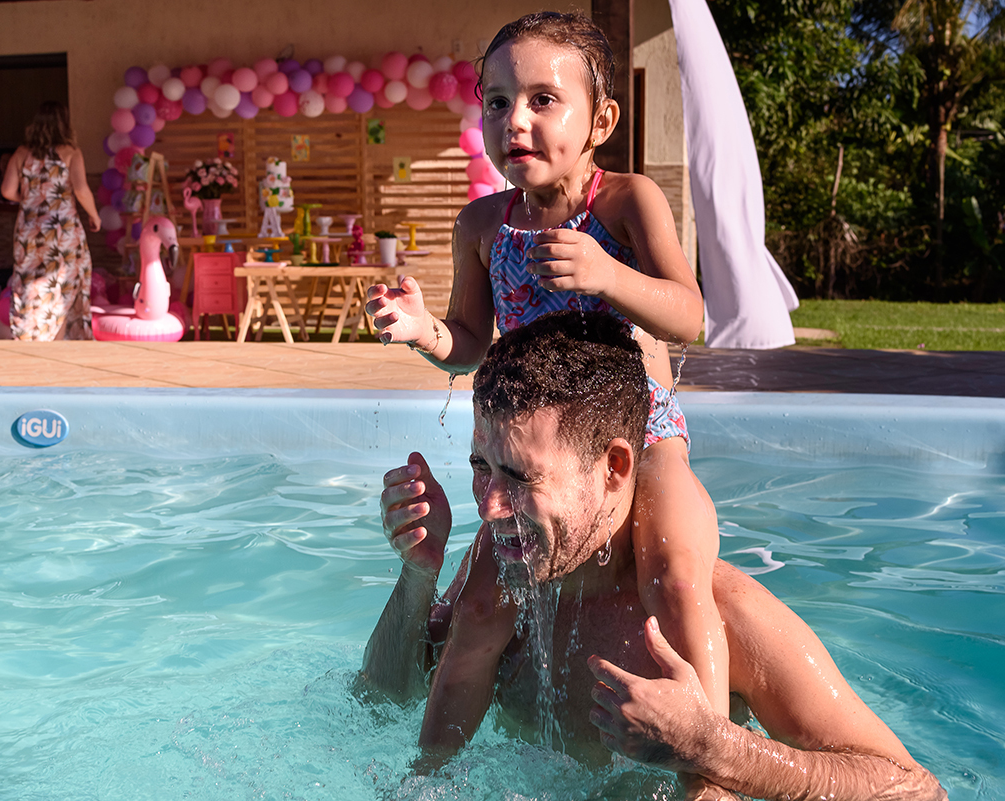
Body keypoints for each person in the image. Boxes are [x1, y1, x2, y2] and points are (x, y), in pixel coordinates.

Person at [361, 310, 946, 801]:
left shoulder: (724, 613)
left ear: (615, 467)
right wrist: (418, 575)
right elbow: (381, 701)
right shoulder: (508, 576)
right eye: (479, 466)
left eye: (518, 476)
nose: (489, 507)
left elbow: (916, 788)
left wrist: (713, 747)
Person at [365, 9, 728, 742]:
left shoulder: (626, 204)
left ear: (601, 119)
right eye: (497, 101)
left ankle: (708, 751)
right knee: (475, 610)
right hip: (540, 455)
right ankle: (427, 776)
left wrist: (607, 273)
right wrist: (422, 331)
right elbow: (469, 341)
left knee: (680, 576)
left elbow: (686, 314)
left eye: (542, 99)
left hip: (640, 429)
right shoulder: (482, 225)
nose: (515, 120)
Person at [0, 100, 100, 341]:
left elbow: (6, 190)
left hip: (30, 232)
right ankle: (61, 341)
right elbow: (81, 189)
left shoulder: (21, 154)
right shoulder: (71, 153)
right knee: (65, 287)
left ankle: (31, 336)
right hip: (63, 232)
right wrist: (94, 215)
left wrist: (30, 199)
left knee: (32, 286)